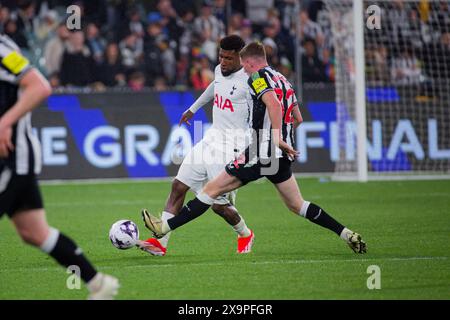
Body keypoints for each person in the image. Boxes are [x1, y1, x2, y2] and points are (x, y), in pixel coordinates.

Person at [142, 42, 367, 254]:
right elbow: (297, 117)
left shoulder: (258, 77)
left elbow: (273, 104)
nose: (245, 72)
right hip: (279, 158)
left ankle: (164, 228)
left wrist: (274, 138)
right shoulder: (283, 80)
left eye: (244, 66)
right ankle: (345, 233)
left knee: (210, 192)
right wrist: (282, 139)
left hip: (260, 153)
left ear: (248, 62)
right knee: (298, 205)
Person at [0, 34, 119, 299]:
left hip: (12, 158)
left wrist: (4, 123)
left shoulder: (3, 49)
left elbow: (39, 86)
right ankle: (98, 283)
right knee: (34, 232)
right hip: (12, 158)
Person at [137, 35, 255, 256]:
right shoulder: (220, 71)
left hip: (231, 148)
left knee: (217, 205)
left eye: (228, 58)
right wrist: (193, 108)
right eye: (221, 56)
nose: (223, 62)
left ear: (240, 57)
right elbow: (213, 87)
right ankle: (160, 244)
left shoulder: (249, 82)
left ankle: (245, 233)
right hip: (210, 139)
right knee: (178, 186)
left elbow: (264, 109)